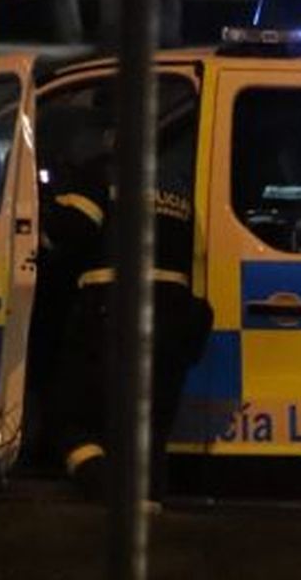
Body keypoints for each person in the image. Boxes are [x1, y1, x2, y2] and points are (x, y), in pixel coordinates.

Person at [41, 110, 213, 504]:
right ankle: (150, 516)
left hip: (114, 314)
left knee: (67, 420)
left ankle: (106, 493)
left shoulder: (104, 174)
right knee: (148, 432)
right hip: (173, 316)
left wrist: (50, 208)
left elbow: (71, 230)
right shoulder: (177, 185)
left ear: (112, 138)